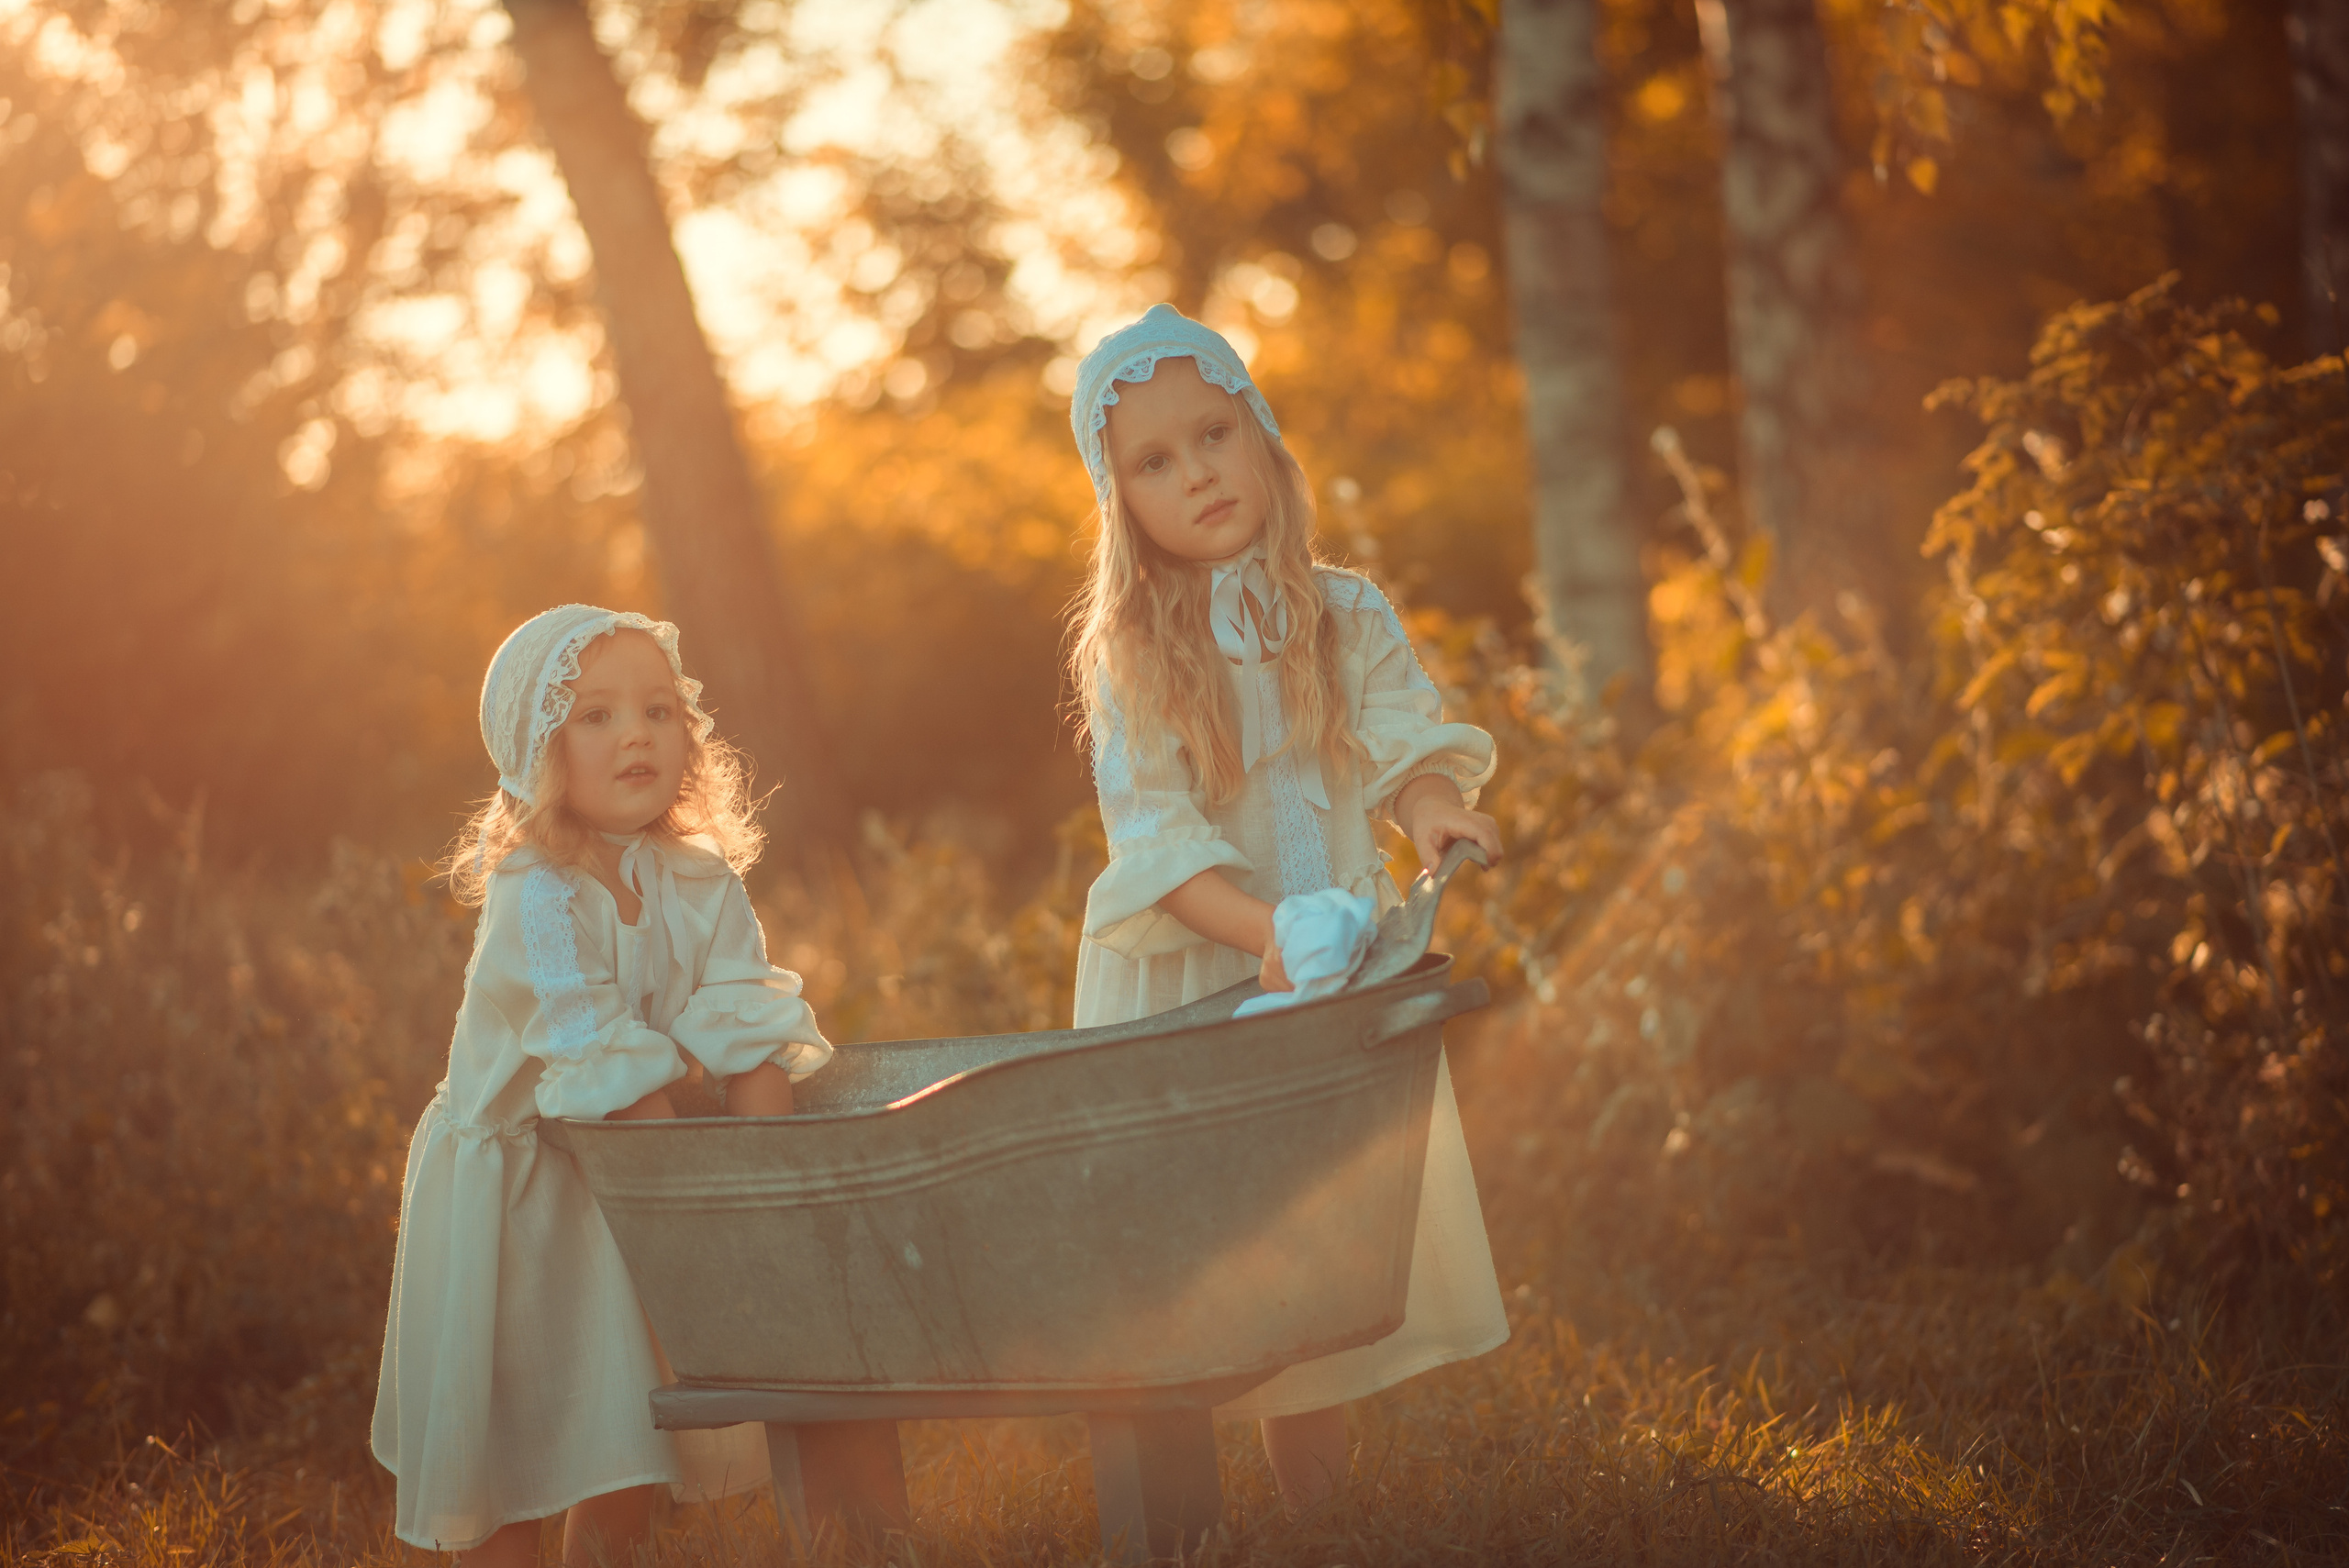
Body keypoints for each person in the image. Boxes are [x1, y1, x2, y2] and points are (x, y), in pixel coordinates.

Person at [1063, 305, 1510, 1506]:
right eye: (1153, 462)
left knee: (1313, 1234)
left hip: (1328, 955)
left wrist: (1430, 818)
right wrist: (1272, 936)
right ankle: (1181, 1505)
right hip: (1203, 964)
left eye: (1212, 433)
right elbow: (1156, 841)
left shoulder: (1344, 610)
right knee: (1206, 1244)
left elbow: (1401, 743)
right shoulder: (1133, 654)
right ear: (1125, 507)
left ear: (1260, 434)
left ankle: (1320, 1506)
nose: (1195, 470)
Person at [371, 606, 832, 1564]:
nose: (636, 733)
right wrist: (692, 1237)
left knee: (620, 1456)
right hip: (517, 1201)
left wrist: (764, 1203)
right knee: (509, 1469)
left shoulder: (699, 881)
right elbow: (605, 1070)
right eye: (596, 715)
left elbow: (749, 1039)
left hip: (622, 1192)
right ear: (537, 750)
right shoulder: (534, 895)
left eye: (659, 710)